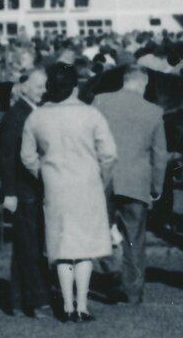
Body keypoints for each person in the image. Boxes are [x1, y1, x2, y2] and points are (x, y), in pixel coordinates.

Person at [21, 62, 117, 324]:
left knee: (62, 247)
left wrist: (43, 174)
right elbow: (108, 154)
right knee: (84, 248)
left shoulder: (37, 117)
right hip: (87, 184)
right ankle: (82, 306)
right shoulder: (91, 115)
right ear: (76, 87)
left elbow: (27, 157)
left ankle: (65, 305)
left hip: (55, 185)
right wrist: (102, 178)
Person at [91, 64, 169, 307]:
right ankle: (133, 291)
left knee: (98, 230)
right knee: (134, 237)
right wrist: (157, 186)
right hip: (136, 182)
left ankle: (109, 270)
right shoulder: (154, 112)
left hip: (103, 178)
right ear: (142, 84)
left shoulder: (100, 102)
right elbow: (160, 155)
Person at [0, 64, 54, 320]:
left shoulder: (30, 112)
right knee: (30, 245)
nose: (43, 91)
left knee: (24, 245)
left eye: (45, 86)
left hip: (29, 189)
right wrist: (9, 193)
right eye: (39, 87)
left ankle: (18, 300)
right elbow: (7, 158)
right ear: (26, 88)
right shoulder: (16, 115)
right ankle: (39, 300)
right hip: (22, 190)